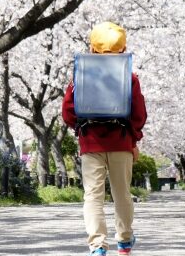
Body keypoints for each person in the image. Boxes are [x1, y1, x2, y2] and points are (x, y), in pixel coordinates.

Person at [62, 22, 147, 256]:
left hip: (90, 145)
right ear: (124, 47)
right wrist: (133, 139)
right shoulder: (129, 77)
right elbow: (139, 115)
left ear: (92, 47)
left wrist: (83, 130)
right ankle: (124, 242)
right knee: (122, 194)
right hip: (121, 143)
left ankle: (98, 245)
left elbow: (68, 111)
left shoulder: (80, 76)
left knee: (93, 196)